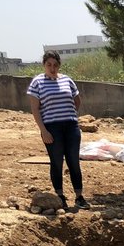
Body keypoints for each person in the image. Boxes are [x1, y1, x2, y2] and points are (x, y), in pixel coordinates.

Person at [27, 51, 89, 210]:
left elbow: (77, 100)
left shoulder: (67, 80)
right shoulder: (37, 82)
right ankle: (60, 196)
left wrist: (70, 114)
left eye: (55, 65)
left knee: (74, 161)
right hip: (51, 128)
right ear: (44, 65)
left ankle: (79, 197)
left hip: (71, 126)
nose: (52, 68)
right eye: (49, 65)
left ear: (59, 65)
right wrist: (44, 130)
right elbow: (35, 109)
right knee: (56, 162)